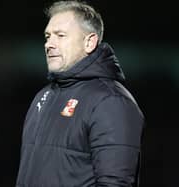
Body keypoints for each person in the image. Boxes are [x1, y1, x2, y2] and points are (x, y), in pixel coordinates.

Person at [16, 1, 145, 186]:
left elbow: (115, 183)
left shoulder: (110, 101)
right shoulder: (43, 97)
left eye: (60, 36)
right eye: (47, 36)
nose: (49, 44)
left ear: (89, 42)